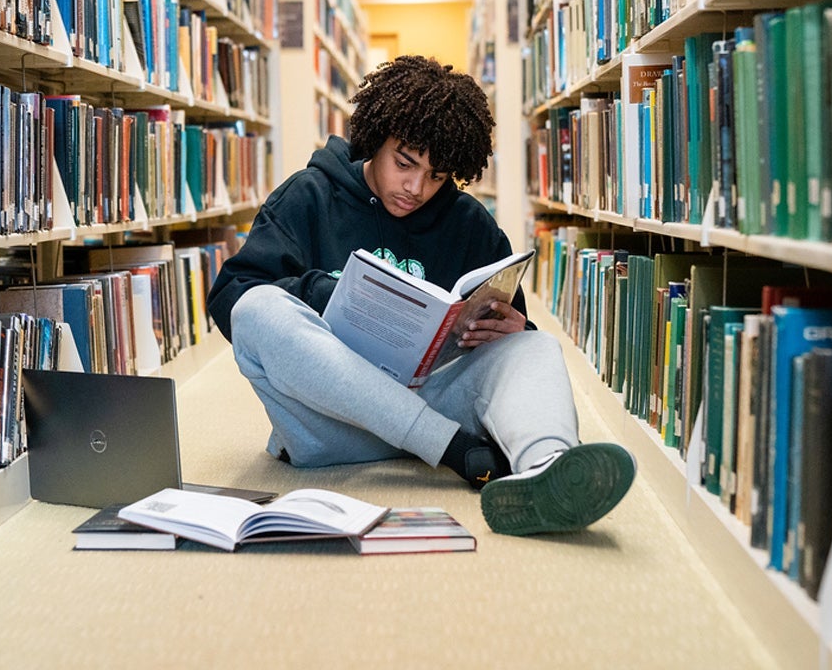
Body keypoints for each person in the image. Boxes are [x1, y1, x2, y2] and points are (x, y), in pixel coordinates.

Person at [205, 55, 635, 535]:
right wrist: (331, 292)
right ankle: (456, 453)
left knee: (535, 346)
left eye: (436, 175)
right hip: (330, 423)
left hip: (431, 397)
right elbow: (229, 297)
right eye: (404, 163)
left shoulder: (469, 222)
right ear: (374, 140)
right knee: (257, 308)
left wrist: (510, 327)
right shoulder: (309, 195)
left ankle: (547, 470)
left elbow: (509, 332)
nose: (415, 188)